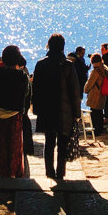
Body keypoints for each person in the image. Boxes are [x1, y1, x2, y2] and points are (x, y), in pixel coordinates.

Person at [32, 33, 81, 180]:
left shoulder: (41, 64)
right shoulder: (68, 65)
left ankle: (49, 172)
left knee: (49, 142)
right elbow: (74, 91)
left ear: (49, 45)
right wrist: (76, 113)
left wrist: (36, 109)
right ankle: (60, 172)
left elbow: (36, 88)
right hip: (64, 110)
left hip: (47, 109)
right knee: (62, 143)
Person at [0, 46, 30, 178]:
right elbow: (25, 93)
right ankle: (12, 173)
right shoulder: (22, 76)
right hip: (14, 116)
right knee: (13, 148)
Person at [83, 53, 108, 136]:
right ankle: (100, 129)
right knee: (99, 112)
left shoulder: (96, 71)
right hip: (102, 94)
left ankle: (96, 131)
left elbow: (90, 83)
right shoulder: (104, 68)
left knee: (94, 113)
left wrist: (85, 90)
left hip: (95, 94)